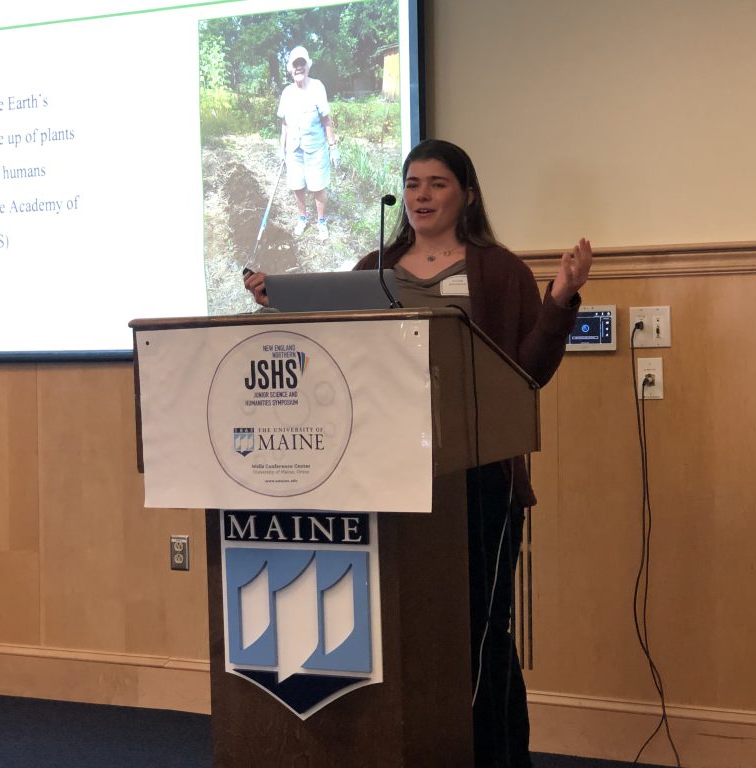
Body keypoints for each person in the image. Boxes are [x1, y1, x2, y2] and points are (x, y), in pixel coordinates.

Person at [244, 139, 592, 767]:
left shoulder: (498, 270)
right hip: (386, 478)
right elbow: (334, 362)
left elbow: (528, 373)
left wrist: (561, 300)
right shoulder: (373, 267)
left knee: (480, 637)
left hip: (477, 481)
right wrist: (284, 301)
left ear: (467, 194)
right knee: (403, 633)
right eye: (412, 184)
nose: (421, 195)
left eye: (436, 183)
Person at [277, 45, 339, 242]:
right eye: (295, 65)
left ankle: (321, 221)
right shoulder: (287, 92)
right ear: (290, 68)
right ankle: (303, 218)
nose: (298, 68)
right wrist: (282, 150)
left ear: (308, 65)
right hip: (293, 149)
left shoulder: (317, 87)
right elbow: (284, 125)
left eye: (302, 63)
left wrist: (333, 146)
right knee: (297, 185)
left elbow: (326, 120)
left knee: (318, 186)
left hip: (315, 148)